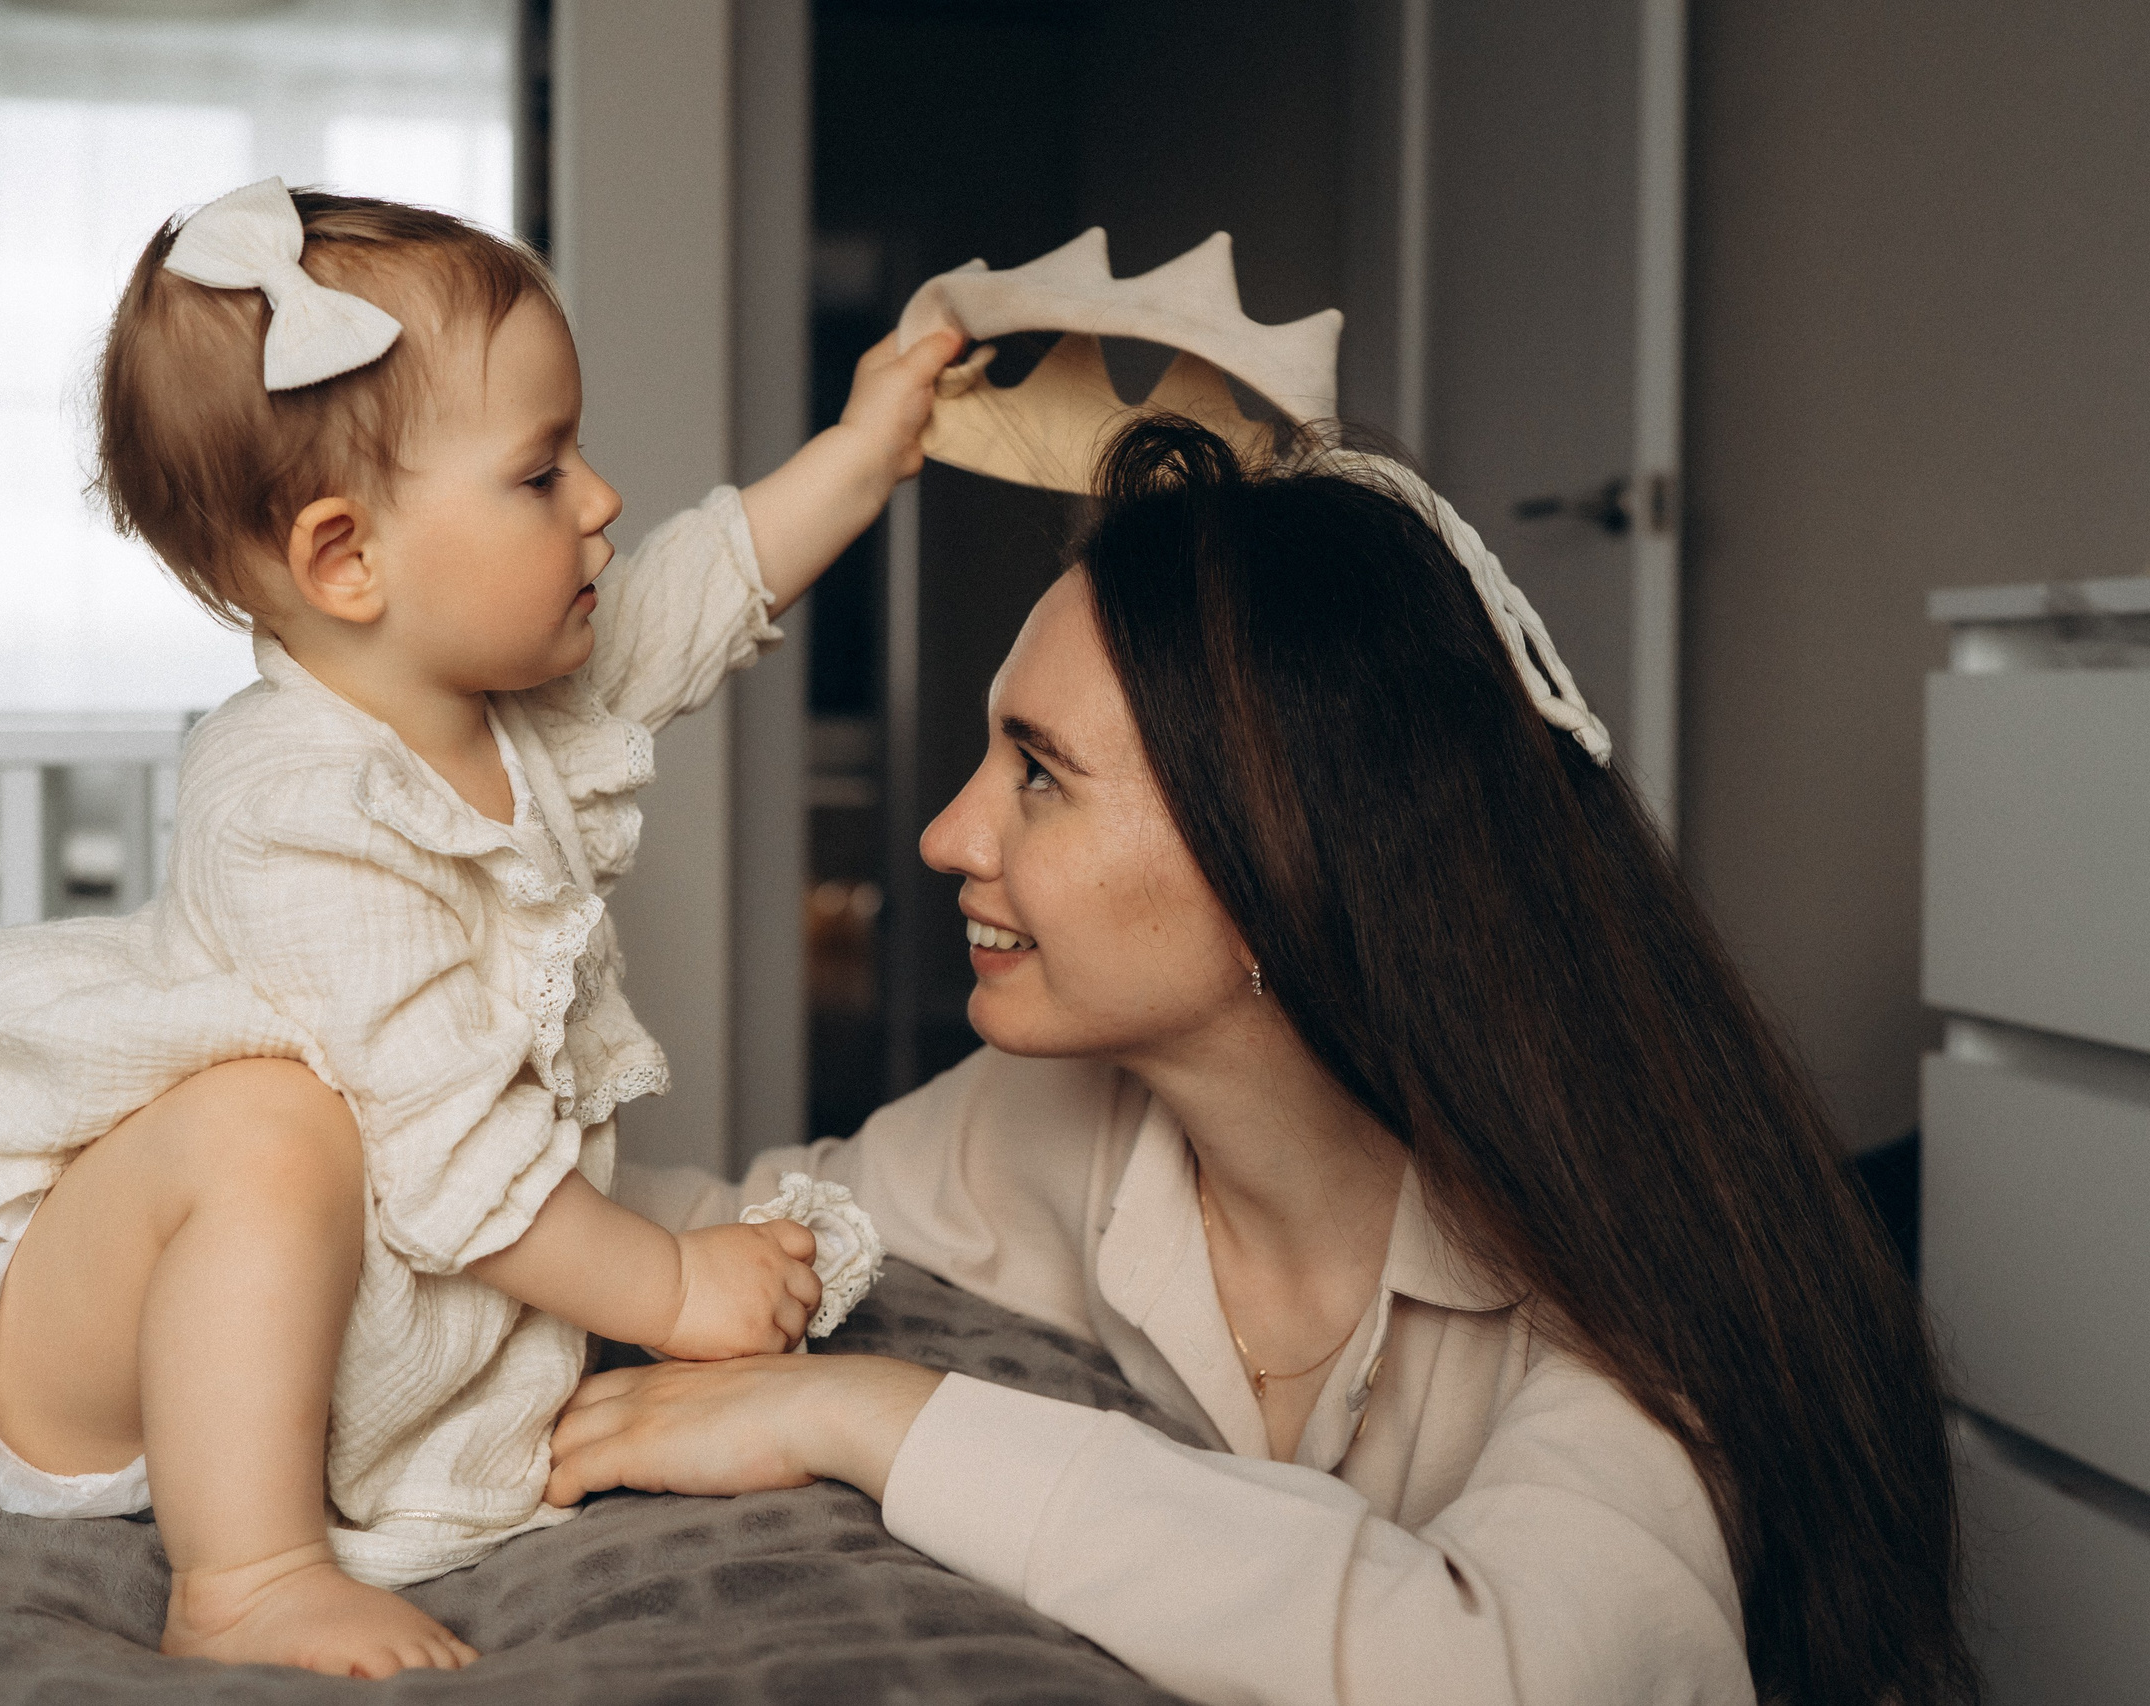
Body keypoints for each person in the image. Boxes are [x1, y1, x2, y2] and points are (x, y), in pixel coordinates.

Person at [553, 415, 1977, 1706]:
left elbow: (1506, 1669)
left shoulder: (1625, 1264)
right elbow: (743, 1226)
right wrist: (390, 1156)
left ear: (1277, 863)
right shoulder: (1054, 1114)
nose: (948, 836)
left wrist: (874, 1413)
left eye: (1037, 771)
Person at [0, 180, 957, 1679]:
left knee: (653, 1201)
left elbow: (693, 592)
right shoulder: (287, 798)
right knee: (271, 1124)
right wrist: (670, 1293)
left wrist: (866, 448)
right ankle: (246, 1572)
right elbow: (462, 1166)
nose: (602, 499)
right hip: (92, 1348)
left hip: (350, 1267)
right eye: (543, 474)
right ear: (348, 560)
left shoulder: (521, 711)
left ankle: (345, 1438)